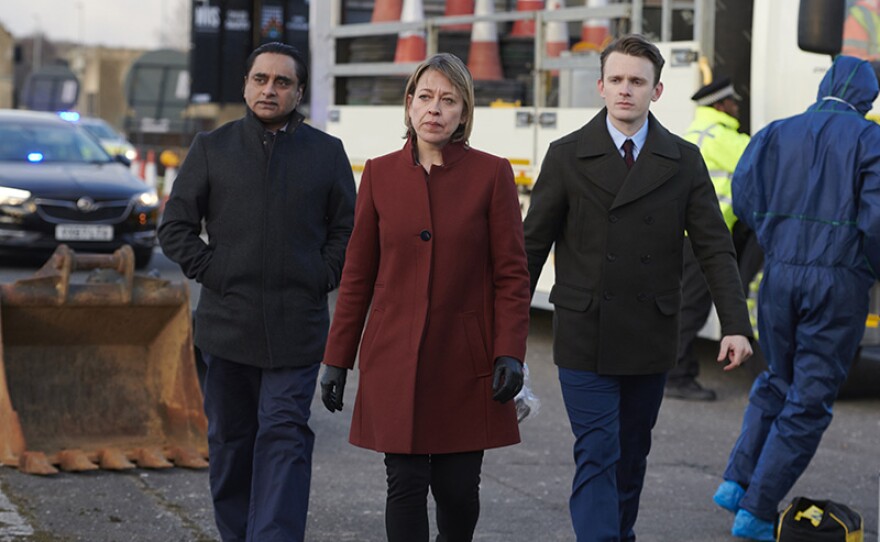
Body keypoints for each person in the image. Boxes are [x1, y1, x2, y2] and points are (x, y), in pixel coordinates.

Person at [522, 34, 753, 542]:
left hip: (650, 334)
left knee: (630, 456)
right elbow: (531, 249)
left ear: (657, 90)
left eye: (637, 81)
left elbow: (715, 248)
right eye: (617, 80)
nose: (626, 90)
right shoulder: (566, 155)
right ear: (601, 87)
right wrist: (506, 334)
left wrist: (735, 325)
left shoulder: (684, 159)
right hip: (585, 332)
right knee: (598, 451)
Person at [319, 52, 530, 542]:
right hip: (394, 358)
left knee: (458, 492)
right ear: (410, 105)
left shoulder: (492, 174)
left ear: (464, 112)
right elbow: (357, 276)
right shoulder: (379, 174)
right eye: (426, 97)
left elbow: (512, 276)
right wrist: (337, 359)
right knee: (405, 485)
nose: (435, 108)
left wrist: (509, 352)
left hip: (465, 362)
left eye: (448, 100)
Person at [158, 42, 356, 542]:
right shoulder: (212, 148)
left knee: (284, 438)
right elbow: (175, 227)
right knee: (230, 444)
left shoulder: (326, 153)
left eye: (282, 82)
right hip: (227, 328)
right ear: (246, 85)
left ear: (299, 92)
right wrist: (216, 271)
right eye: (260, 79)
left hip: (297, 330)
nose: (270, 89)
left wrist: (321, 275)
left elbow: (347, 231)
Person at [714, 54, 880, 542]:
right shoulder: (871, 140)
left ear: (825, 86)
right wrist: (868, 268)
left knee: (775, 381)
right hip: (838, 279)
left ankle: (736, 483)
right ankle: (757, 512)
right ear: (866, 98)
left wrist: (778, 239)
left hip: (779, 274)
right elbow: (876, 221)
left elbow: (744, 197)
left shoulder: (775, 132)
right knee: (809, 400)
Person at [665, 77, 753, 401]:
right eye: (733, 102)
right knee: (692, 307)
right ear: (720, 105)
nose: (737, 107)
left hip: (683, 235)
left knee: (684, 304)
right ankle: (676, 377)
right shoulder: (723, 137)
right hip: (703, 238)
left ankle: (676, 371)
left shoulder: (694, 132)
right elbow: (762, 169)